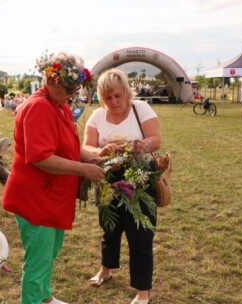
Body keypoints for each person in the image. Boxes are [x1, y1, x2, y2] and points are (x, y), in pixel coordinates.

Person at [2, 52, 105, 304]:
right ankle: (34, 300)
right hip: (35, 198)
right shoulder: (38, 107)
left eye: (76, 88)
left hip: (51, 195)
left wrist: (91, 158)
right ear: (52, 80)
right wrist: (83, 170)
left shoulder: (58, 105)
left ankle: (44, 298)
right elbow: (41, 158)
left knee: (49, 252)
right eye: (69, 88)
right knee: (38, 260)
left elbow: (69, 143)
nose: (72, 93)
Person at [83, 68, 161, 304]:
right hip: (107, 179)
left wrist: (132, 148)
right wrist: (102, 151)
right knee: (110, 228)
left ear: (126, 93)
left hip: (139, 179)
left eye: (117, 95)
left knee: (140, 233)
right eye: (107, 97)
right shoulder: (96, 116)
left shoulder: (141, 109)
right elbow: (87, 147)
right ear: (100, 96)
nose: (113, 101)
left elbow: (155, 140)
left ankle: (142, 291)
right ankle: (106, 269)